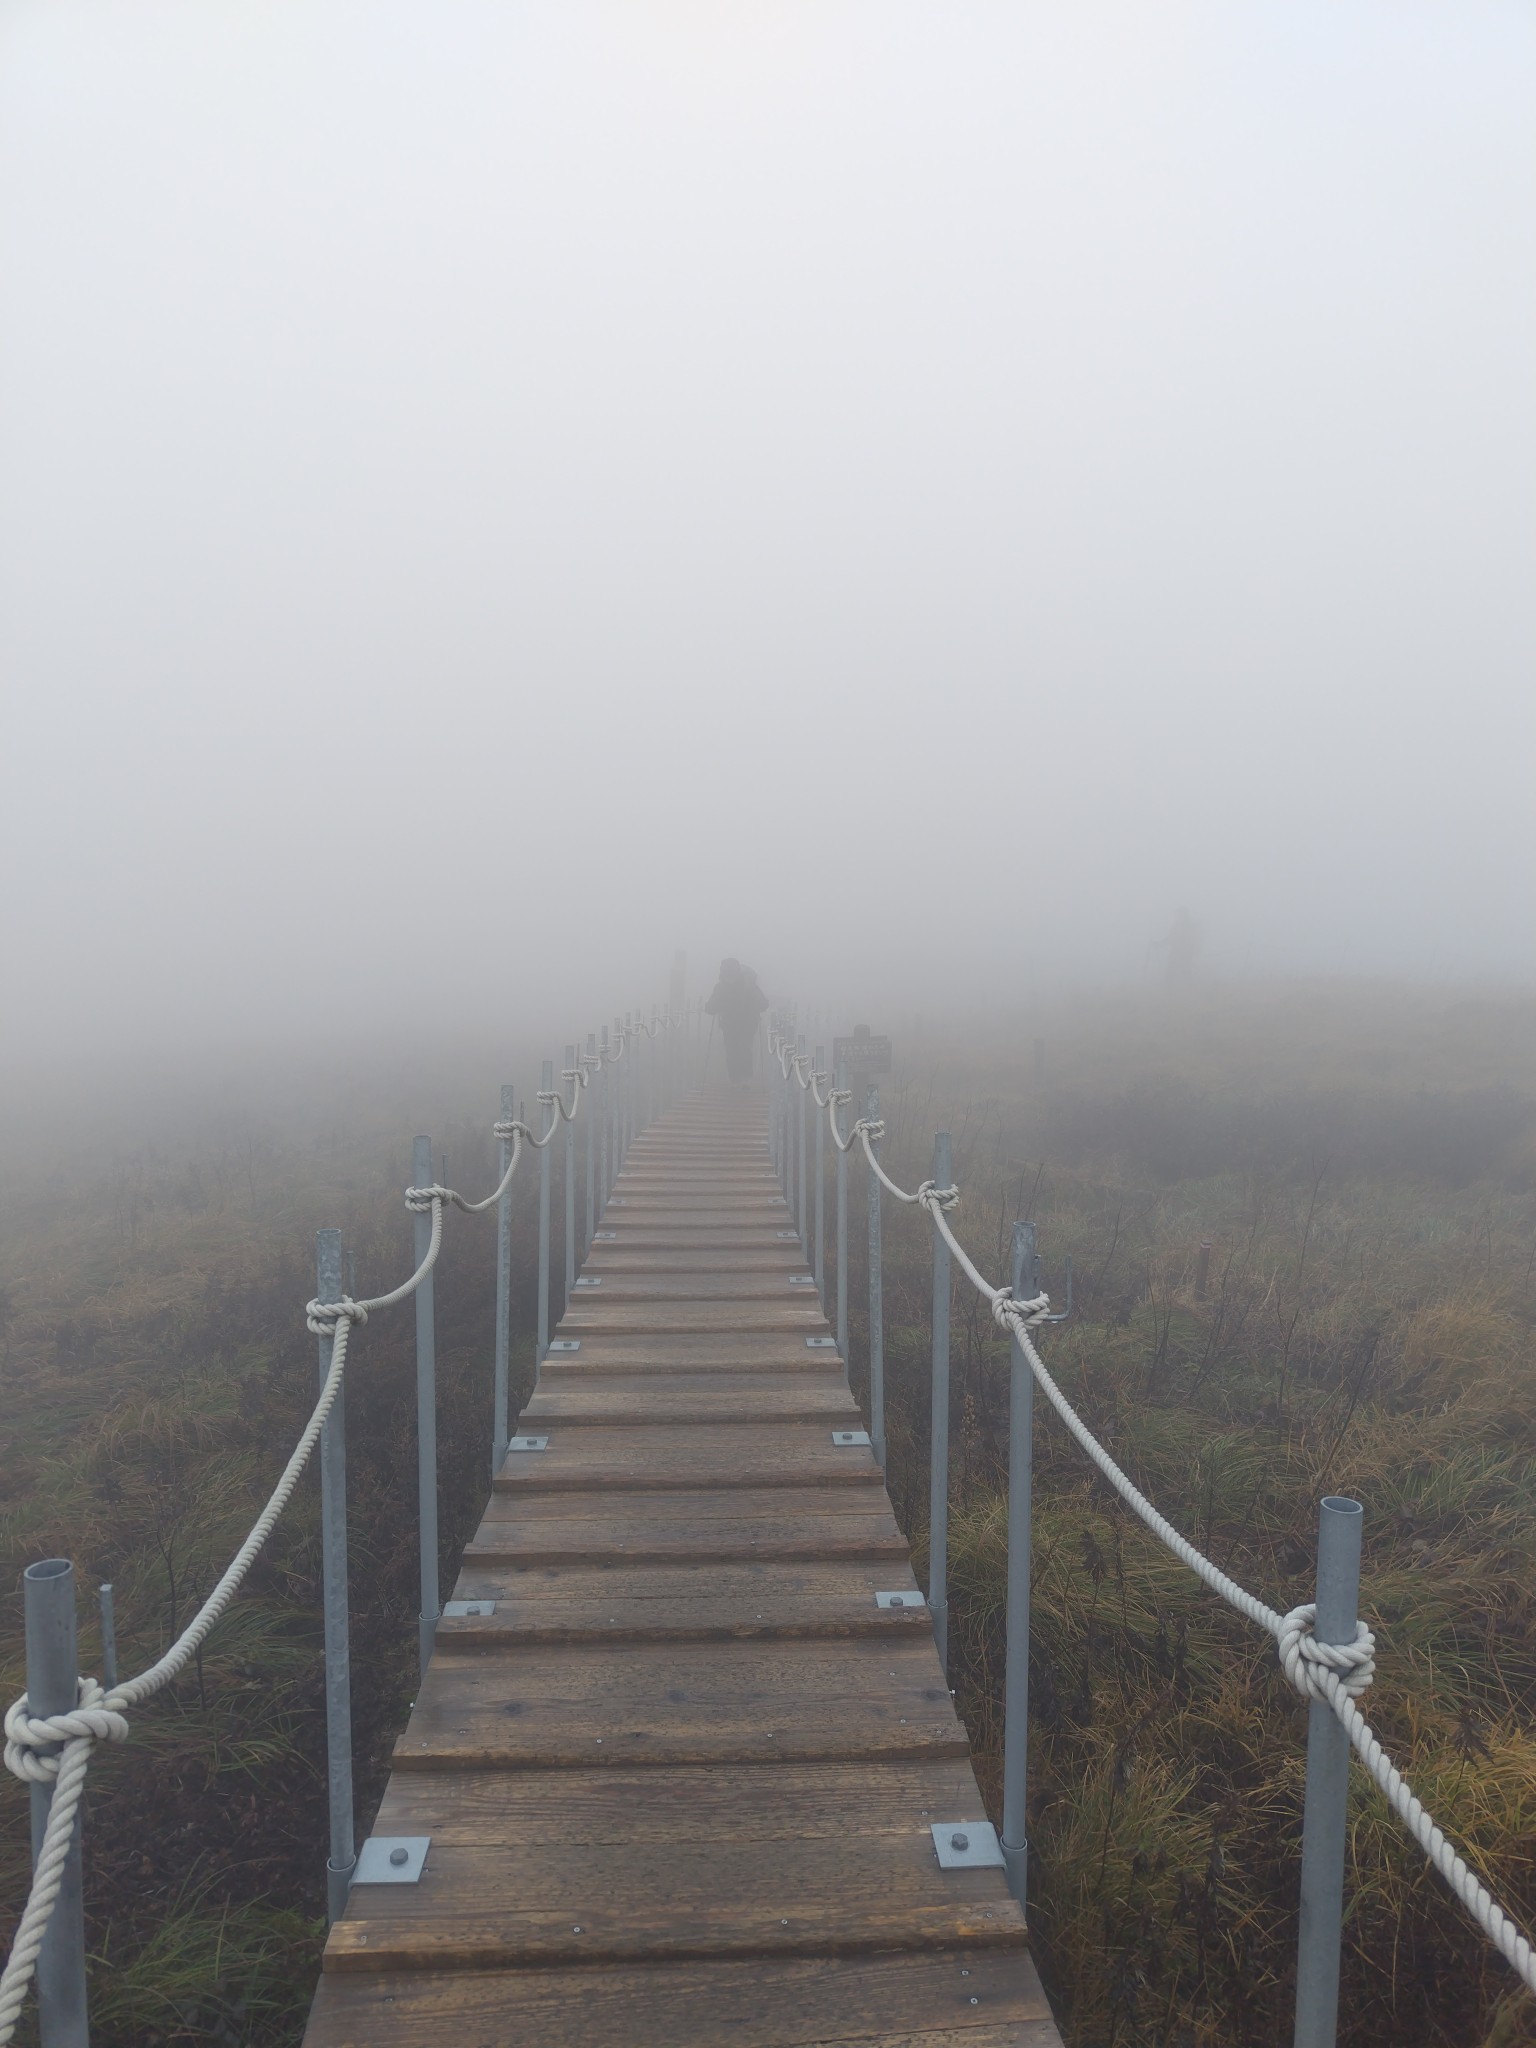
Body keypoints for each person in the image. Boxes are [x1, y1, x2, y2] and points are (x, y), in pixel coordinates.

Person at [705, 957, 768, 1083]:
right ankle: (740, 1079)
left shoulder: (740, 985)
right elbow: (763, 1004)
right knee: (736, 1050)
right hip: (738, 1024)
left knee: (739, 1049)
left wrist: (714, 1005)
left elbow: (710, 1008)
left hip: (741, 1024)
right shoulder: (746, 985)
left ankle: (740, 1079)